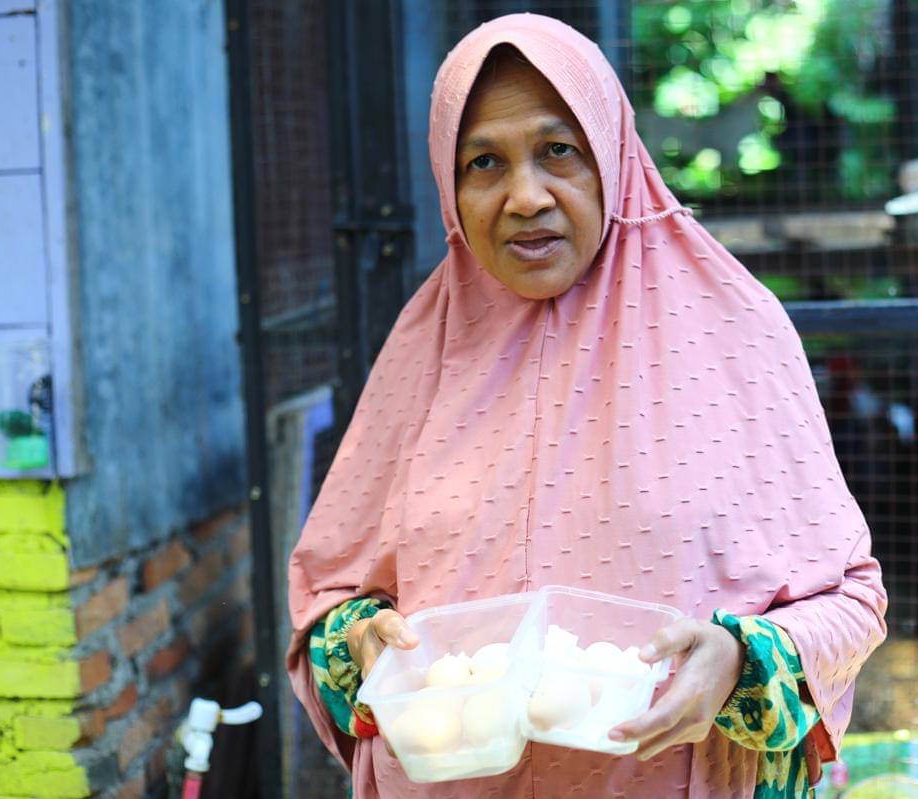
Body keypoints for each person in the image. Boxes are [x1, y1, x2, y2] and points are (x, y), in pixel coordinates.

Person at [286, 14, 887, 799]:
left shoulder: (733, 328)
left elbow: (851, 600)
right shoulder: (423, 351)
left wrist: (739, 662)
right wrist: (365, 643)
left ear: (612, 155)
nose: (524, 196)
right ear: (449, 184)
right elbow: (327, 609)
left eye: (558, 151)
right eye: (484, 163)